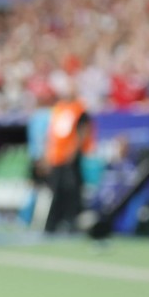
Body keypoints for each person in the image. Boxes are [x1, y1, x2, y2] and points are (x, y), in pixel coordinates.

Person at [43, 94, 94, 234]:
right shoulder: (58, 109)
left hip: (70, 159)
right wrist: (48, 154)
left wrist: (74, 150)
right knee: (56, 192)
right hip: (57, 158)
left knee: (72, 191)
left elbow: (83, 129)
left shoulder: (79, 109)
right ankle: (53, 224)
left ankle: (71, 223)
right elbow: (52, 134)